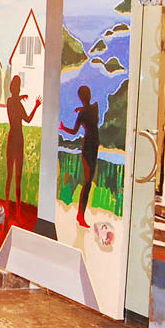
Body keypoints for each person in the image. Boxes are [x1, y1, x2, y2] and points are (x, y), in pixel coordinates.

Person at [60, 85, 99, 228]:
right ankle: (81, 216)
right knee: (87, 182)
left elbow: (74, 131)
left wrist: (80, 110)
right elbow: (75, 131)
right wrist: (64, 128)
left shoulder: (89, 110)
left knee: (88, 182)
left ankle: (80, 215)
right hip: (89, 147)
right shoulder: (92, 109)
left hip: (91, 146)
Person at [4, 75, 41, 215]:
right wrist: (36, 106)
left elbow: (13, 100)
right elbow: (28, 119)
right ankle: (18, 210)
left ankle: (7, 206)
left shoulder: (10, 102)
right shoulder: (18, 104)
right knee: (17, 177)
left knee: (10, 176)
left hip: (11, 138)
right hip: (18, 139)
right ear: (18, 89)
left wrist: (20, 97)